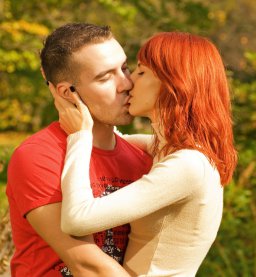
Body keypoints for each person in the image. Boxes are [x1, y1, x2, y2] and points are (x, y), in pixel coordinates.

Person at [51, 31, 238, 276]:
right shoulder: (178, 150)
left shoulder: (188, 165)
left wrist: (79, 136)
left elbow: (77, 219)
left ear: (173, 84)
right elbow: (121, 140)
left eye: (140, 72)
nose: (128, 82)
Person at [6, 23, 152, 277]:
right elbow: (88, 266)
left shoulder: (141, 159)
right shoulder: (39, 156)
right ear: (68, 93)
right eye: (105, 77)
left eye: (125, 68)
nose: (126, 84)